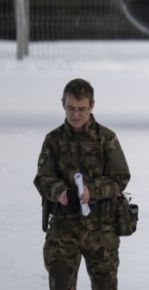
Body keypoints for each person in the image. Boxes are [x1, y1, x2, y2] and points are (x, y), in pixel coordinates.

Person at [34, 78, 131, 289]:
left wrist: (92, 190)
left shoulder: (106, 138)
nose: (75, 114)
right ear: (63, 104)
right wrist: (59, 192)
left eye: (81, 109)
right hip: (64, 226)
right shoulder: (53, 140)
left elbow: (120, 177)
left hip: (101, 227)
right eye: (70, 108)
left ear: (92, 106)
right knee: (60, 281)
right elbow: (43, 177)